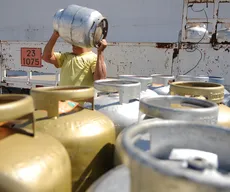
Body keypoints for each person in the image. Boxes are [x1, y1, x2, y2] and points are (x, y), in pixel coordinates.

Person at [42, 30, 107, 87]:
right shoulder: (66, 56)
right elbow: (46, 57)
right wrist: (55, 36)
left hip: (83, 101)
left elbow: (100, 80)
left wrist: (100, 52)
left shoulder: (94, 58)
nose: (72, 41)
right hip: (65, 101)